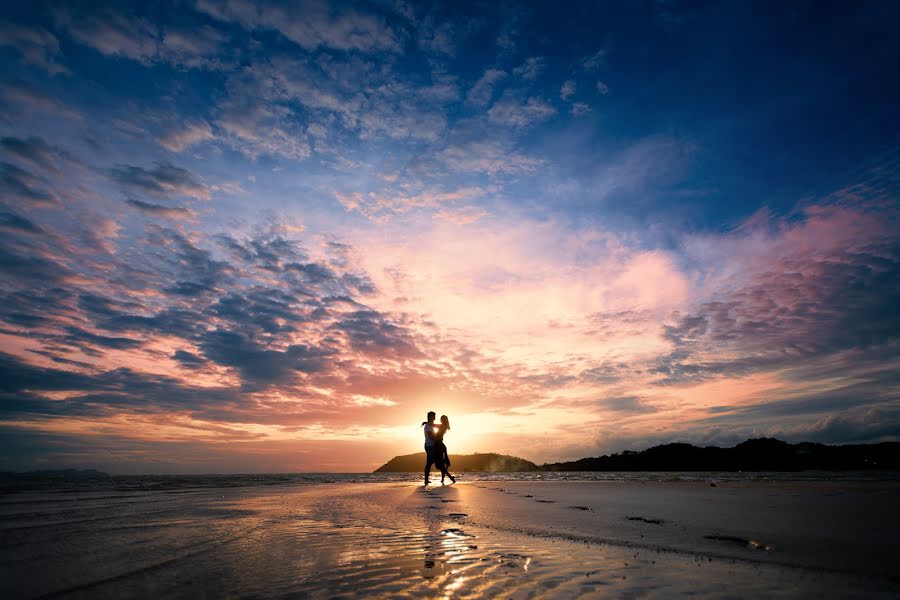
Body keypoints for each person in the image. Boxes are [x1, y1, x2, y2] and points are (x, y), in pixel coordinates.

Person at [434, 415, 456, 484]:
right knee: (442, 463)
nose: (440, 420)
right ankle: (444, 479)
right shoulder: (444, 426)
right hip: (441, 445)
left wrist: (427, 423)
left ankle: (450, 478)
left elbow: (435, 426)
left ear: (443, 420)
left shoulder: (442, 426)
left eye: (441, 419)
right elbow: (435, 425)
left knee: (441, 464)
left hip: (439, 445)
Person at [422, 411, 437, 485]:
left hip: (430, 445)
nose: (435, 417)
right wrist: (438, 439)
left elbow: (437, 426)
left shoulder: (430, 425)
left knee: (430, 463)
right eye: (434, 416)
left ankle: (426, 479)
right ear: (431, 417)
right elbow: (431, 436)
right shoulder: (428, 426)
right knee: (429, 463)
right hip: (430, 446)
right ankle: (426, 480)